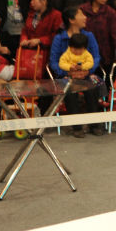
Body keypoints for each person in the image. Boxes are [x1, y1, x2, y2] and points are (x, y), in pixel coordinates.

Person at [49, 7, 105, 137]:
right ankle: (76, 127)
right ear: (72, 20)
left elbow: (96, 57)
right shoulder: (59, 38)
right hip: (66, 75)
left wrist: (88, 70)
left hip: (86, 74)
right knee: (70, 89)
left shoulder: (89, 36)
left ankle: (94, 124)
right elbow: (54, 62)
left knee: (92, 86)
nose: (85, 17)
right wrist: (67, 72)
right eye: (81, 14)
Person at [81, 0, 116, 72]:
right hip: (85, 50)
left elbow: (115, 34)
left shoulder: (110, 11)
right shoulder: (83, 9)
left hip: (105, 52)